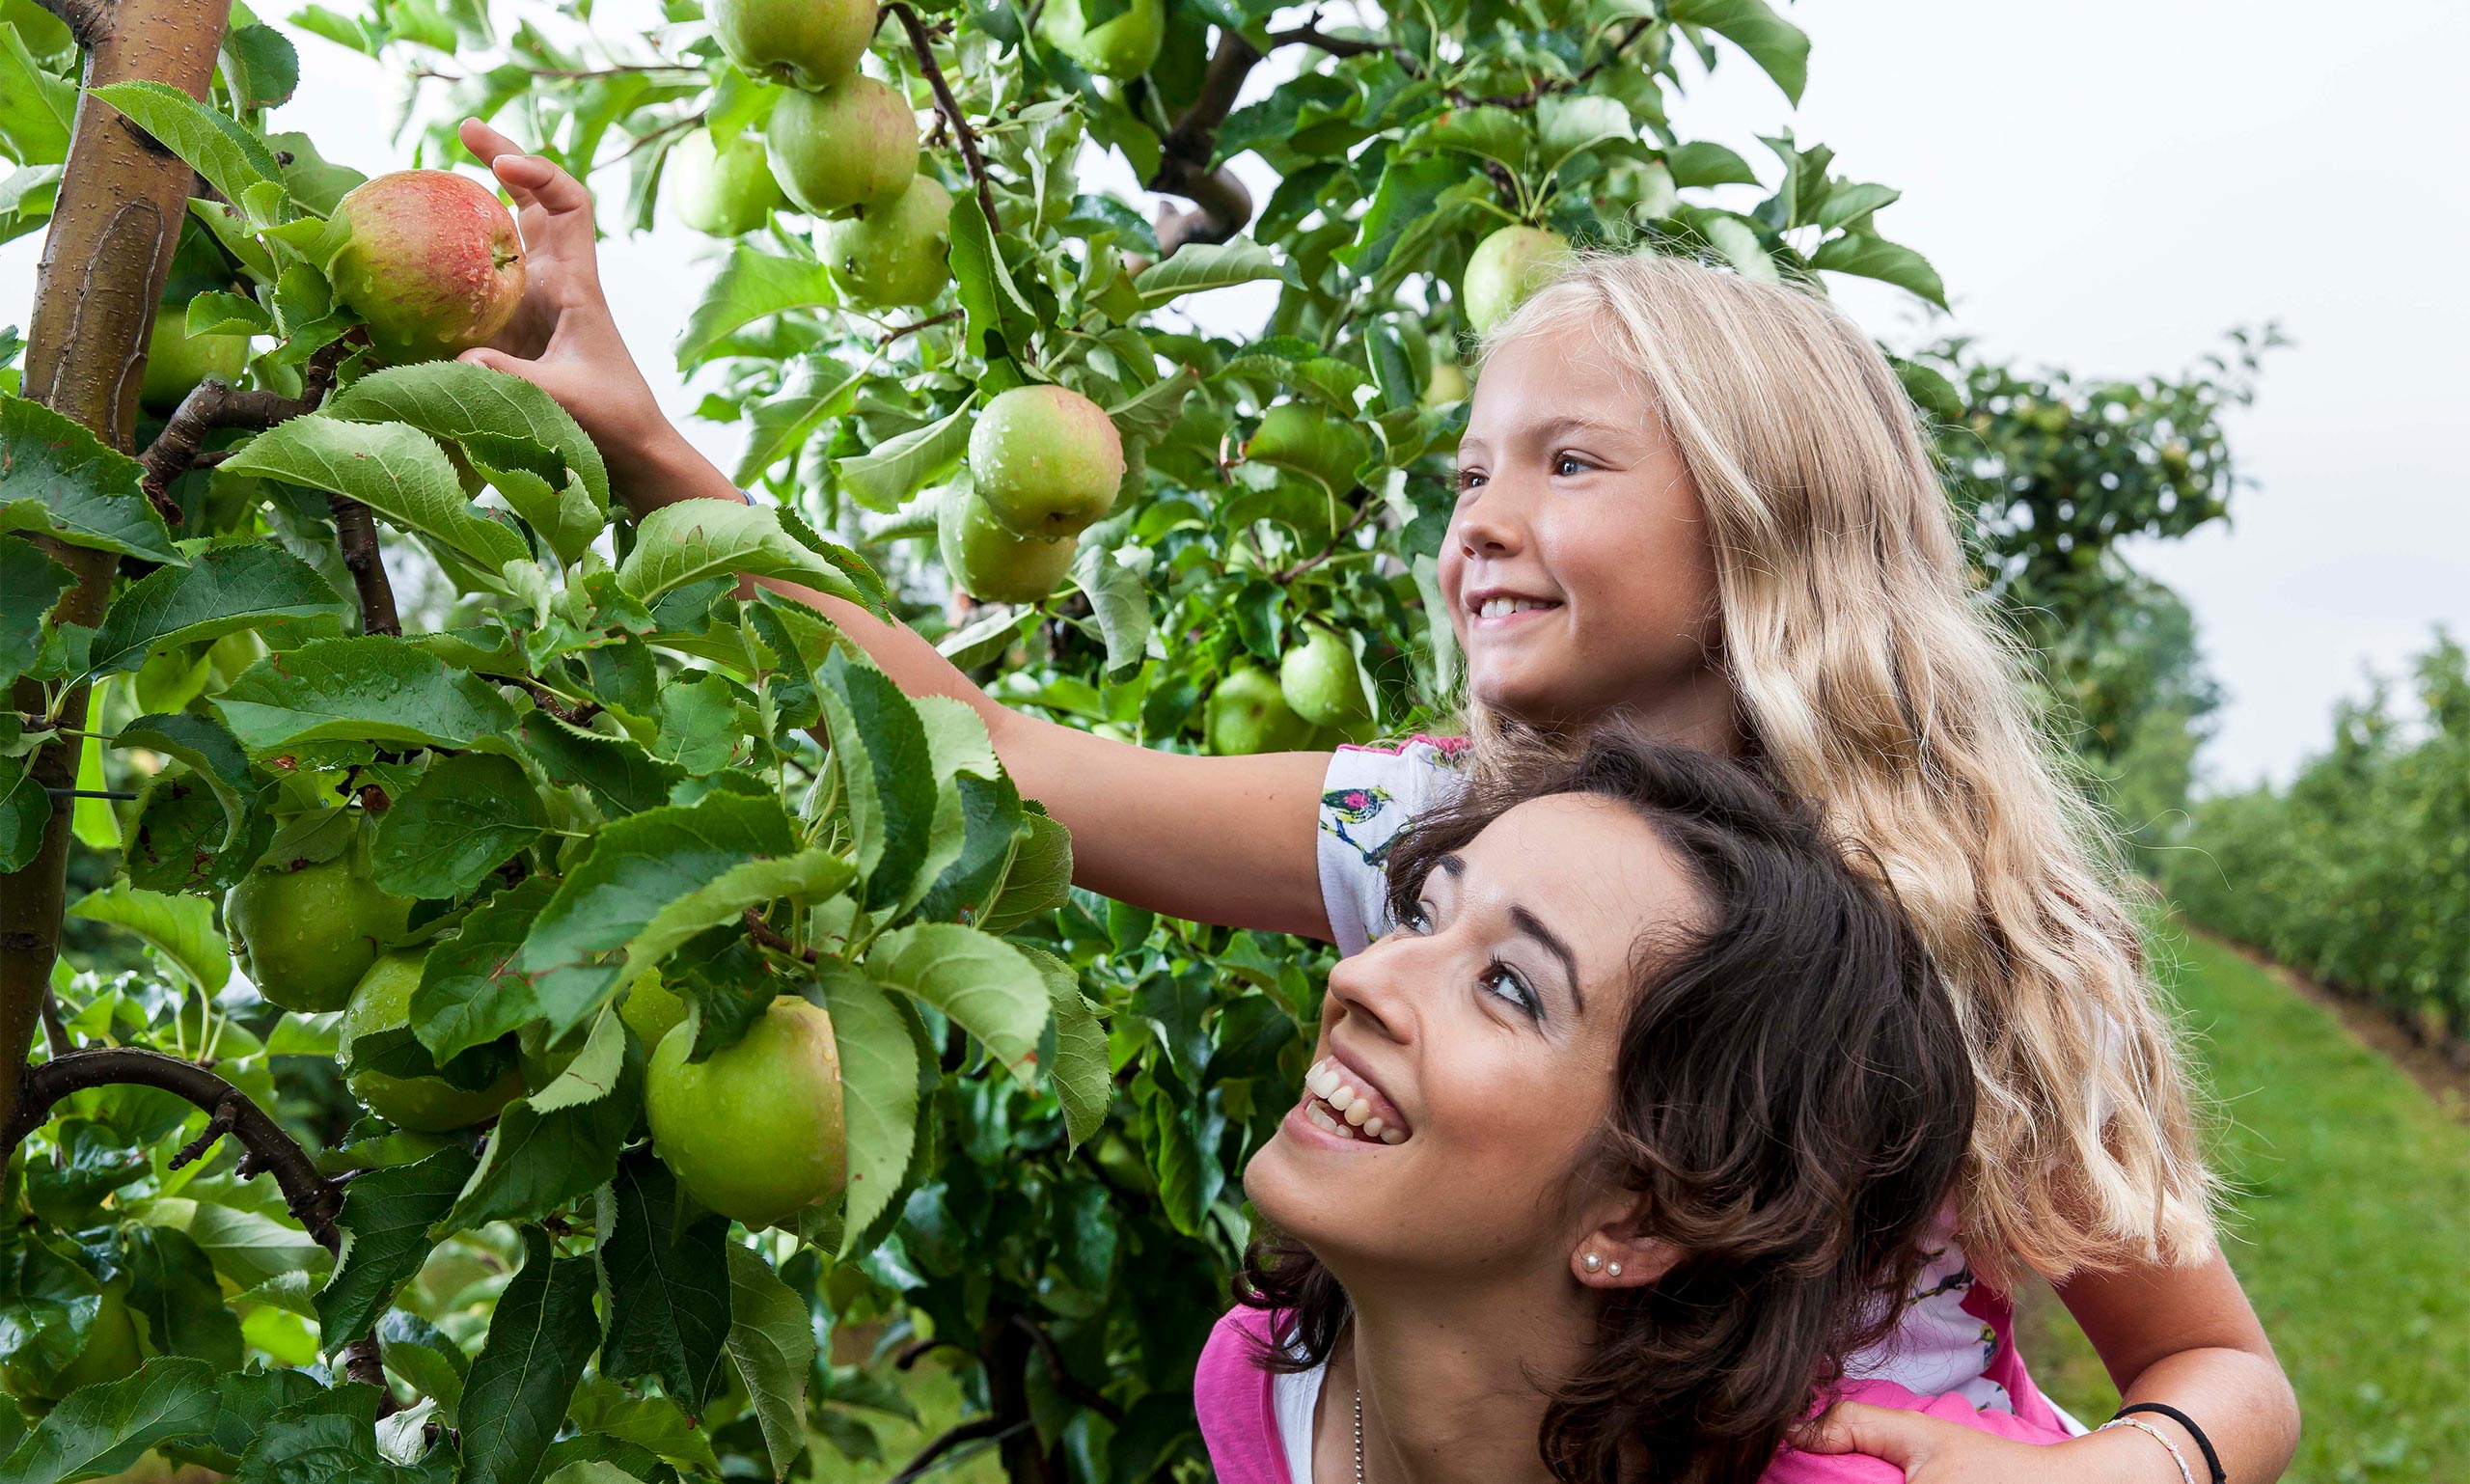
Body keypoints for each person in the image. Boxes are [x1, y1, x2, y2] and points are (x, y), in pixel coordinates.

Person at [453, 117, 2299, 1481]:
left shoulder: (1946, 918)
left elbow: (2225, 1368)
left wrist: (2108, 1469)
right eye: (1467, 465)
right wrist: (644, 447)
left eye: (1567, 462)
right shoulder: (1434, 832)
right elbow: (1008, 764)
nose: (1477, 518)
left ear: (1763, 527)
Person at [1200, 728, 2058, 1483]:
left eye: (1507, 987)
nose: (1358, 977)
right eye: (1422, 920)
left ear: (1645, 1217)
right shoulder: (1263, 1382)